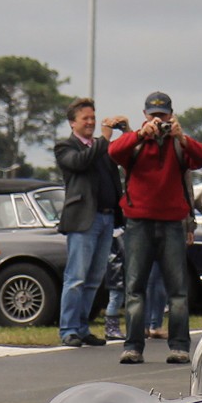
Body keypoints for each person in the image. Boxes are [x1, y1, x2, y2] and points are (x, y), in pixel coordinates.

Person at [107, 91, 202, 364]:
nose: (158, 121)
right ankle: (133, 346)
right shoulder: (136, 142)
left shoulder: (178, 143)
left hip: (172, 223)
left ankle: (179, 347)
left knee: (177, 289)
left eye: (162, 116)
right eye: (153, 116)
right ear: (144, 115)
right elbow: (113, 152)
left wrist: (181, 137)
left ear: (171, 115)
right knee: (135, 287)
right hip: (138, 222)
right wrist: (140, 134)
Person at [54, 97, 126, 347]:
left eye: (93, 118)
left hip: (106, 218)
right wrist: (104, 140)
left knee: (95, 278)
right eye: (85, 118)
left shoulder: (101, 146)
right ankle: (68, 329)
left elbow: (121, 159)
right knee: (76, 277)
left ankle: (83, 327)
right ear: (72, 123)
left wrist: (124, 131)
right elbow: (80, 162)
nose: (90, 122)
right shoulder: (65, 147)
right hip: (84, 220)